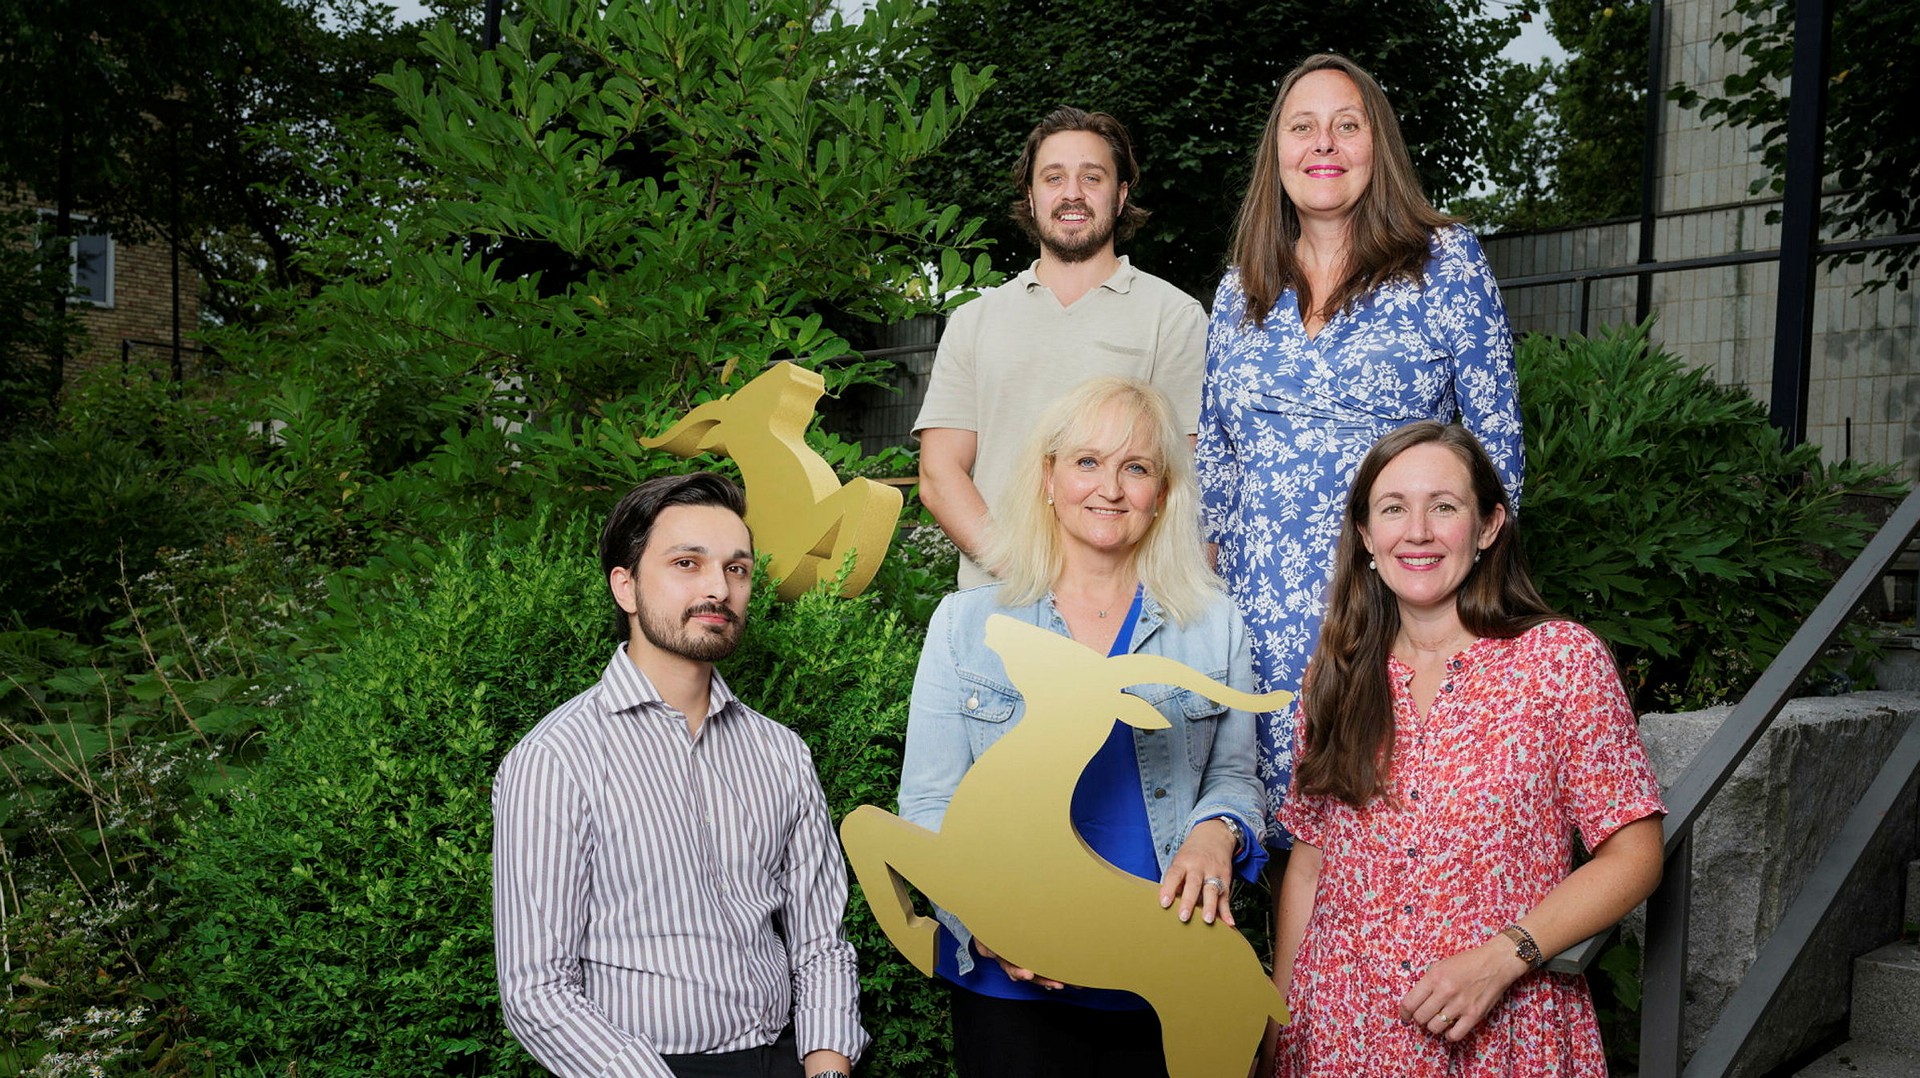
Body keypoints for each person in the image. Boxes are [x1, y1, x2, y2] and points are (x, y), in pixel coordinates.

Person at [1197, 53, 1525, 847]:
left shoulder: (1444, 263)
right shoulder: (1240, 287)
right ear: (1275, 154)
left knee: (1387, 859)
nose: (1325, 143)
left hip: (1393, 623)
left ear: (1380, 147)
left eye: (1349, 125)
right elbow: (1214, 466)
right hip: (1255, 638)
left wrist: (1448, 629)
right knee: (1254, 864)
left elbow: (1497, 459)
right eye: (1302, 126)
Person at [1270, 422, 1664, 1077]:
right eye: (1393, 508)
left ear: (1487, 527)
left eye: (1443, 506)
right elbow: (1310, 867)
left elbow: (1636, 852)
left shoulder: (1559, 664)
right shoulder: (1335, 673)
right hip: (1340, 1033)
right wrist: (1276, 1030)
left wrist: (1502, 957)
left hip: (1501, 1033)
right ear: (1367, 536)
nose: (1417, 531)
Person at [899, 377, 1266, 1078]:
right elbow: (927, 804)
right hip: (1009, 989)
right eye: (1087, 462)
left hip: (1170, 970)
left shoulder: (1214, 624)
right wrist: (985, 918)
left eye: (1137, 467)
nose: (1111, 488)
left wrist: (1218, 832)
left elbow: (1234, 777)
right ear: (1048, 477)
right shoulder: (968, 624)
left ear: (1162, 493)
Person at [492, 473, 866, 1078]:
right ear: (627, 587)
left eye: (737, 569)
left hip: (783, 1060)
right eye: (687, 563)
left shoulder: (781, 754)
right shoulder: (556, 760)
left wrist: (827, 1068)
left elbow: (820, 943)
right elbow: (537, 991)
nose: (718, 587)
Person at [917, 106, 1208, 590]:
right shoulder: (974, 321)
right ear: (1031, 197)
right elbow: (938, 473)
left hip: (1123, 613)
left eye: (1091, 177)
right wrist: (1024, 572)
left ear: (1120, 196)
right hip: (997, 605)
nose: (1072, 193)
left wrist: (1099, 591)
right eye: (1054, 178)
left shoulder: (1173, 318)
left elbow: (1184, 478)